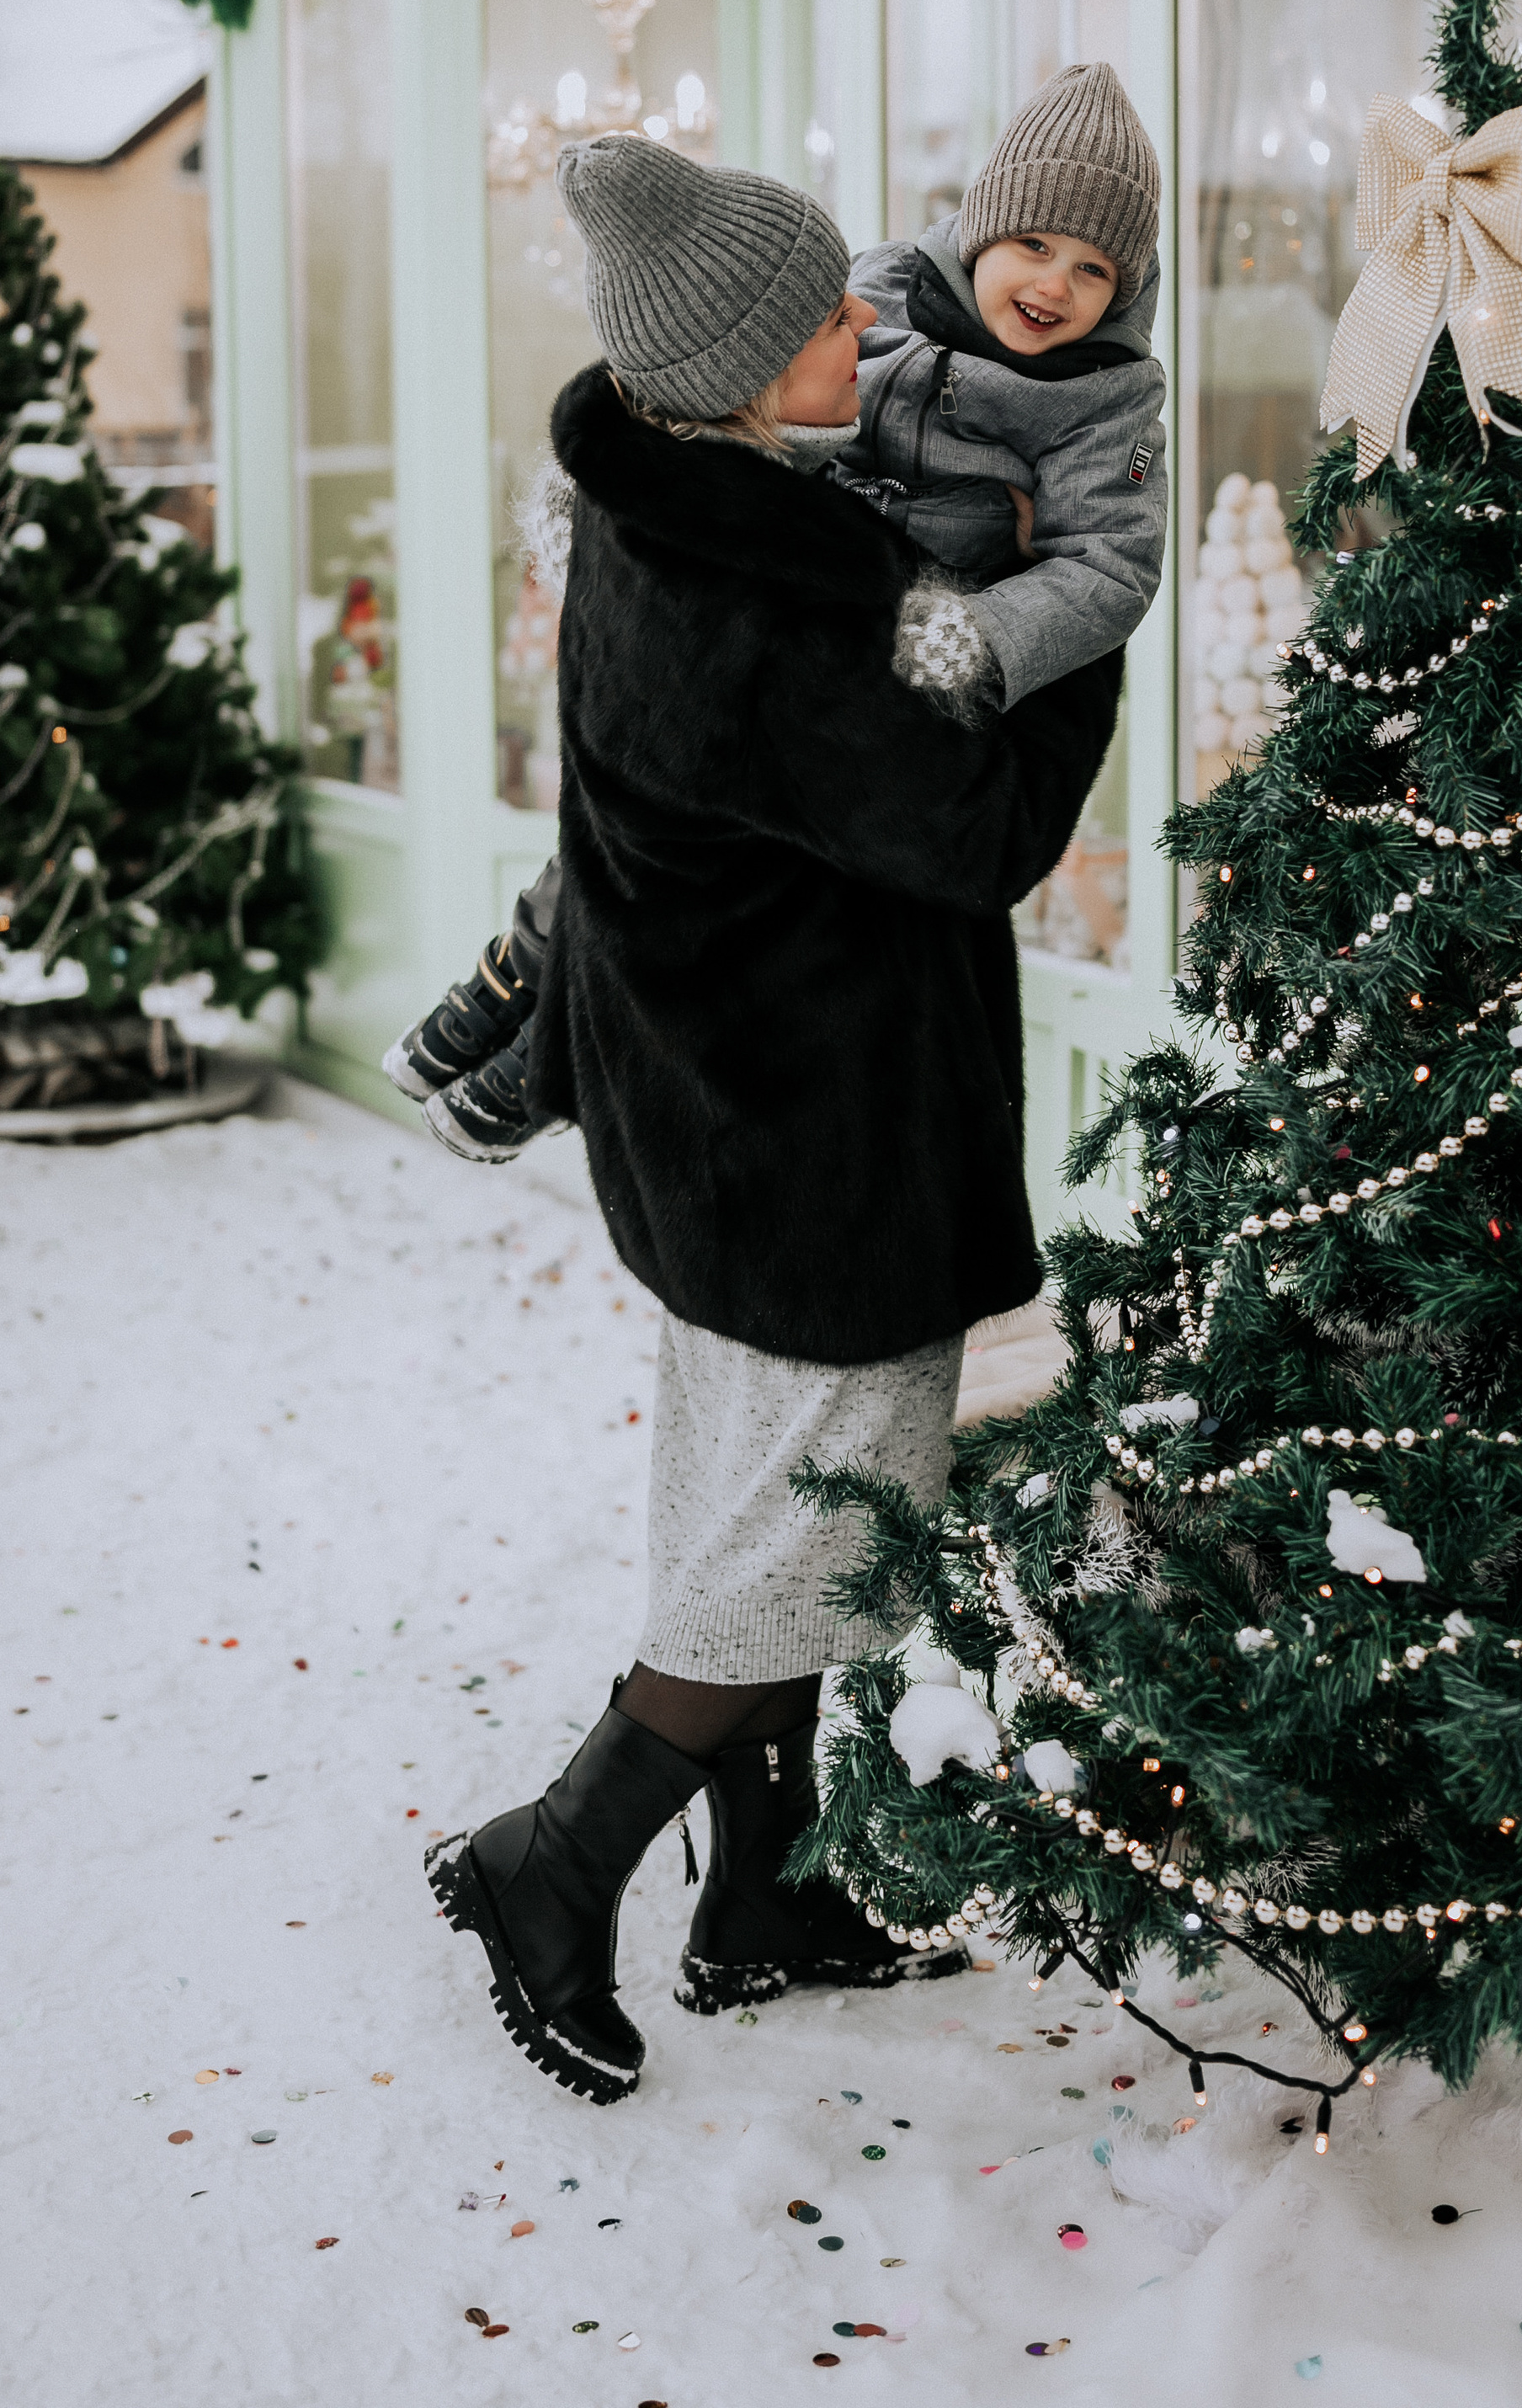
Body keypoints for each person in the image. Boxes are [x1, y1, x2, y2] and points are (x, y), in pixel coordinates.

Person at [423, 146, 1123, 2106]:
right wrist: (1082, 599)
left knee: (760, 1501)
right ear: (733, 367)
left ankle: (769, 1893)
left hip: (728, 1111)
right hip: (814, 1142)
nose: (867, 325)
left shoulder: (686, 513)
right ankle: (550, 1866)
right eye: (824, 314)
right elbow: (974, 823)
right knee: (813, 1532)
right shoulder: (759, 597)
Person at [385, 60, 1166, 1156]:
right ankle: (503, 988)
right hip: (804, 603)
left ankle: (528, 1055)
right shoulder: (886, 285)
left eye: (1095, 268)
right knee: (628, 849)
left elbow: (1110, 571)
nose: (1057, 283)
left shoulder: (1107, 404)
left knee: (670, 860)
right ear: (980, 229)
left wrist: (980, 645)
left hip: (917, 645)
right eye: (1034, 243)